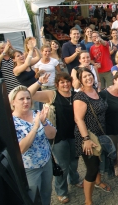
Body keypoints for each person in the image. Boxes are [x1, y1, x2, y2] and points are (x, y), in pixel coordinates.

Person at [28, 73, 83, 204]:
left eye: (67, 82)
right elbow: (28, 94)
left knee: (74, 161)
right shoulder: (51, 95)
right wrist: (39, 83)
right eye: (62, 82)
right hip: (58, 137)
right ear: (57, 84)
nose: (65, 84)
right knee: (63, 165)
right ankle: (61, 191)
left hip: (74, 135)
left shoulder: (75, 95)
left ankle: (74, 179)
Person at [10, 87, 56, 205]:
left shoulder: (37, 113)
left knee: (47, 192)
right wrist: (35, 127)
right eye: (21, 99)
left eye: (28, 98)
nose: (26, 101)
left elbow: (52, 135)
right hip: (29, 168)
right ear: (13, 102)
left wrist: (44, 122)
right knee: (33, 198)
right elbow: (21, 149)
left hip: (46, 162)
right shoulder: (12, 122)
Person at [73, 67, 111, 205]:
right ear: (80, 80)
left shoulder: (95, 90)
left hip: (99, 133)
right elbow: (78, 119)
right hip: (88, 137)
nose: (88, 78)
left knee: (99, 160)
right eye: (85, 77)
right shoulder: (80, 96)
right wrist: (86, 140)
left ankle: (98, 182)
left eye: (90, 75)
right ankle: (88, 201)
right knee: (92, 168)